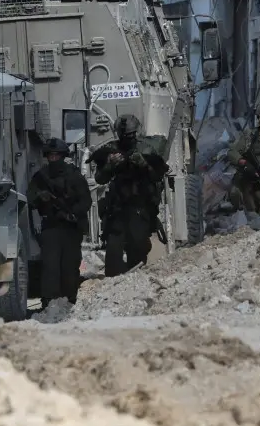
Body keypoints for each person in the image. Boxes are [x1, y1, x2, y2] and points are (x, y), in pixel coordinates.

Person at [93, 114, 169, 277]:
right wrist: (110, 166)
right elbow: (99, 178)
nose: (128, 138)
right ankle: (113, 283)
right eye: (125, 135)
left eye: (131, 134)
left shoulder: (147, 148)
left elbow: (158, 175)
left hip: (139, 206)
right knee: (113, 249)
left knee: (138, 245)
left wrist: (144, 164)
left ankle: (136, 277)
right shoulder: (112, 150)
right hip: (118, 207)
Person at [28, 137, 91, 308]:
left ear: (63, 156)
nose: (53, 159)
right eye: (51, 156)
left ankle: (70, 299)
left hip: (71, 227)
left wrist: (72, 214)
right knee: (50, 266)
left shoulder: (74, 176)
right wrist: (41, 197)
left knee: (70, 265)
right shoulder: (41, 177)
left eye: (57, 156)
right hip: (51, 226)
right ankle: (48, 302)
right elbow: (30, 199)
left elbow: (86, 201)